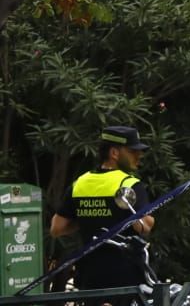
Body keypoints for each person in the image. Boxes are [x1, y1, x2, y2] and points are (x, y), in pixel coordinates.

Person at [49, 125, 155, 294]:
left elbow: (56, 229)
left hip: (90, 276)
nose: (139, 156)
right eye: (132, 151)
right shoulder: (129, 185)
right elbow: (145, 226)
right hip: (126, 278)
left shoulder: (80, 184)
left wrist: (87, 220)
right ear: (114, 153)